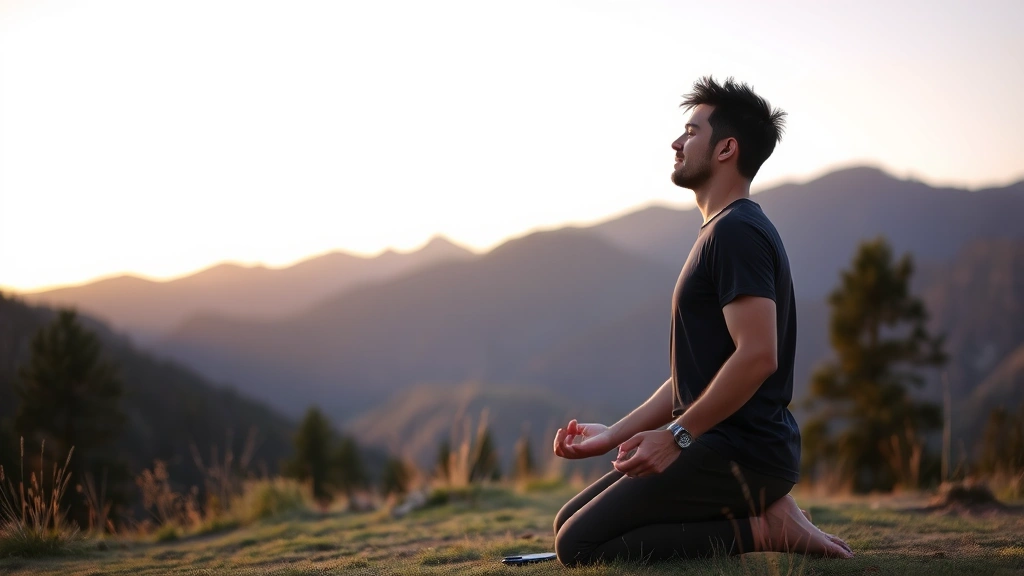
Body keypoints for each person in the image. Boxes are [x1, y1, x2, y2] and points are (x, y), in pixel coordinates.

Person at [550, 77, 854, 566]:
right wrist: (613, 434)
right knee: (568, 521)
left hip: (743, 452)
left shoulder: (736, 232)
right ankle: (768, 510)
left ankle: (763, 526)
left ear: (726, 149)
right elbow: (694, 375)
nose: (676, 142)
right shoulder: (721, 230)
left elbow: (758, 355)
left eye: (691, 131)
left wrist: (677, 437)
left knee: (577, 546)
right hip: (721, 445)